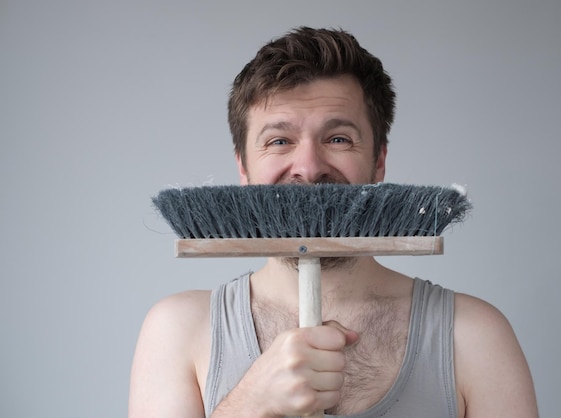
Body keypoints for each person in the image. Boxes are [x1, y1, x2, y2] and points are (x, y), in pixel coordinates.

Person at [128, 27, 539, 418]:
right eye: (279, 141)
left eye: (338, 138)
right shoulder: (178, 330)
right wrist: (252, 403)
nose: (308, 168)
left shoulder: (473, 336)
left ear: (378, 161)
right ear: (243, 168)